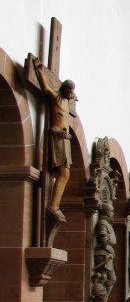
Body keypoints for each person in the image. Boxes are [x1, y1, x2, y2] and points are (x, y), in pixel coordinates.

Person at [37, 65, 76, 221]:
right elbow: (46, 88)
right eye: (69, 90)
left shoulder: (68, 101)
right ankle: (53, 206)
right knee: (63, 173)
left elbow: (73, 98)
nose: (71, 93)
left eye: (72, 91)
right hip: (57, 136)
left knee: (66, 173)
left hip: (65, 139)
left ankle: (55, 204)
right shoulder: (57, 98)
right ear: (64, 89)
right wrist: (40, 70)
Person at [92, 200, 116, 302]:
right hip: (103, 253)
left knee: (111, 278)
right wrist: (107, 244)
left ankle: (104, 301)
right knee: (103, 277)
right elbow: (103, 237)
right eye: (112, 212)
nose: (113, 214)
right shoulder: (103, 222)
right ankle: (100, 300)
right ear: (107, 212)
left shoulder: (107, 223)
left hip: (107, 253)